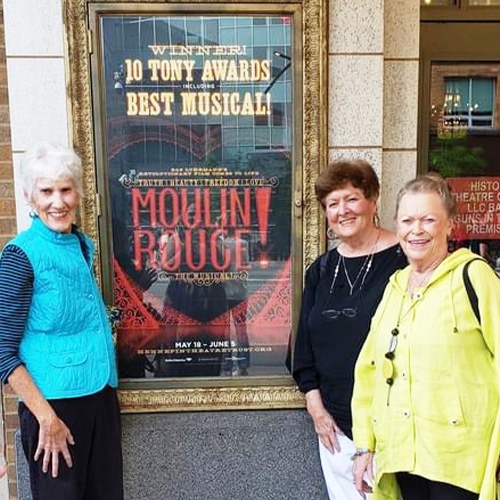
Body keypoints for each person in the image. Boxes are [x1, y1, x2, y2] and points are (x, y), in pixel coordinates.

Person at [352, 174, 500, 500]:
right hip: (402, 456)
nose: (416, 230)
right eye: (407, 220)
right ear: (396, 225)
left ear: (450, 226)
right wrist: (365, 447)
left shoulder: (475, 277)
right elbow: (369, 372)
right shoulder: (394, 287)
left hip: (461, 461)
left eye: (428, 219)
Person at [0, 143, 123, 500]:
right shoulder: (20, 255)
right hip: (54, 408)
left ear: (79, 193)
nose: (59, 201)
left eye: (66, 189)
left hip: (100, 398)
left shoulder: (82, 245)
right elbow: (4, 353)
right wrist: (46, 419)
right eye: (47, 191)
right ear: (29, 196)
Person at [292, 159, 407, 500]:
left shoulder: (405, 261)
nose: (342, 210)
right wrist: (316, 410)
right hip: (335, 428)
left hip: (393, 427)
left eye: (351, 198)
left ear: (372, 199)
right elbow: (303, 349)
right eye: (332, 204)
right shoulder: (321, 270)